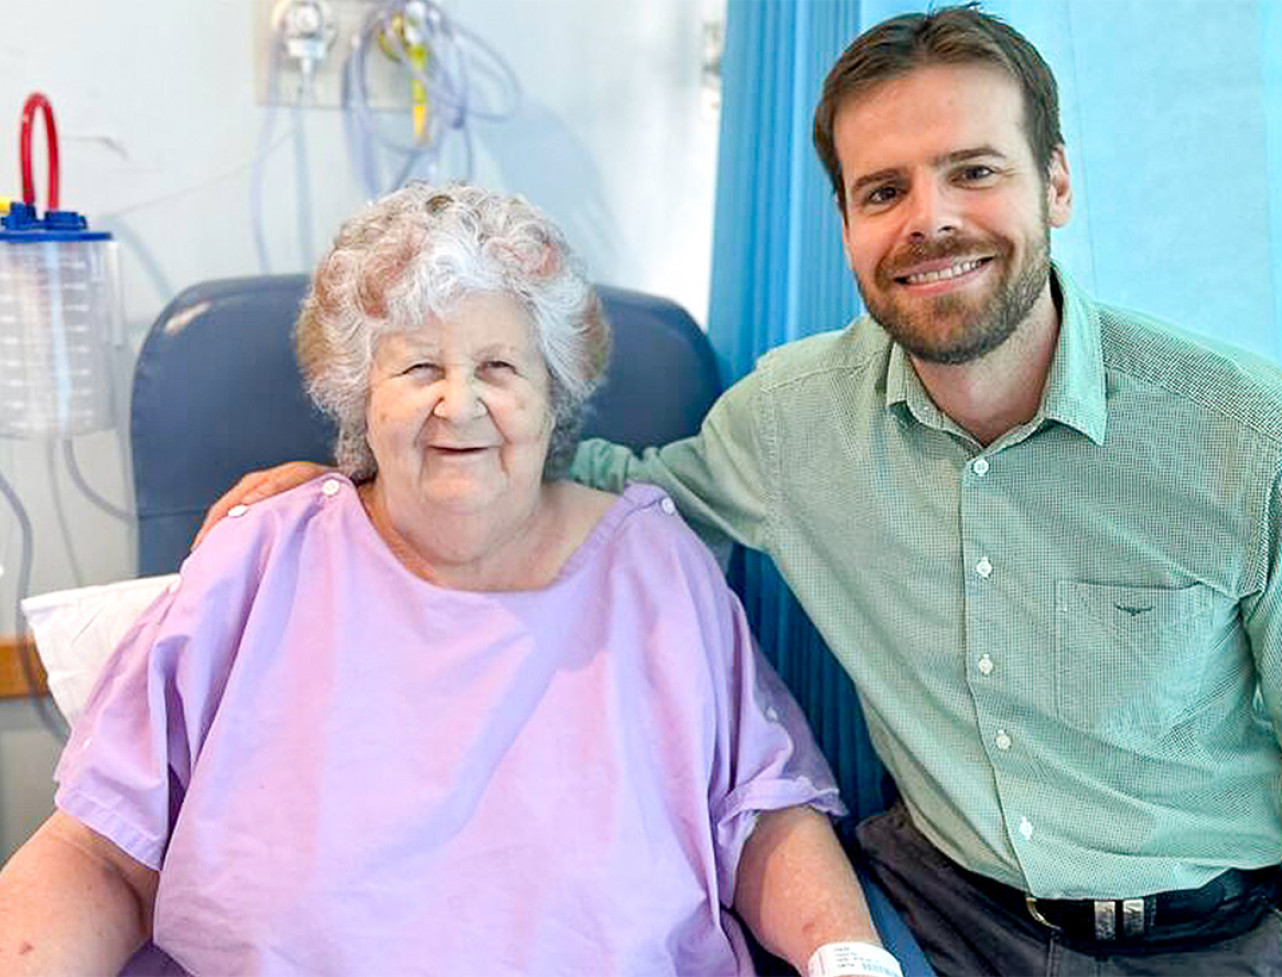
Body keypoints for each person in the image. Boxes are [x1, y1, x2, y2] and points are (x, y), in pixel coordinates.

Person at [186, 6, 1282, 976]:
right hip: (931, 910)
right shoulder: (791, 418)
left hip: (1198, 935)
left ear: (1055, 183)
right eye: (882, 190)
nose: (929, 221)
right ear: (842, 220)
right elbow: (624, 493)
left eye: (974, 171)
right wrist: (379, 455)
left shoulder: (1256, 440)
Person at [0, 185, 902, 977]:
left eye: (499, 368)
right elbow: (102, 855)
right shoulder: (259, 559)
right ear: (360, 395)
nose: (459, 404)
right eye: (419, 366)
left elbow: (763, 818)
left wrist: (847, 956)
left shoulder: (655, 570)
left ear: (555, 398)